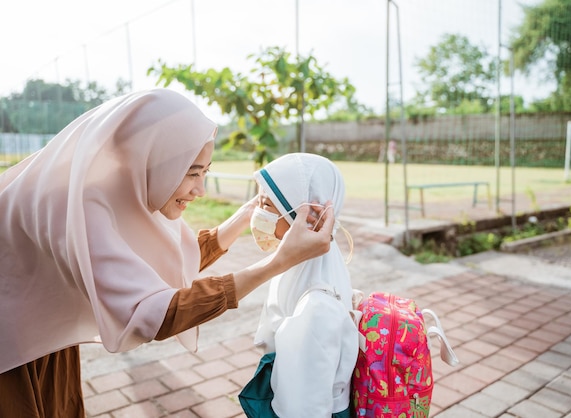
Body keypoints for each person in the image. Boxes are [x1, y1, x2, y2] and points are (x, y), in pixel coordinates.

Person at [0, 88, 334, 417]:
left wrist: (245, 216)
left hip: (44, 338)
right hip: (13, 353)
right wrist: (277, 262)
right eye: (192, 173)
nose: (200, 190)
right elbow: (152, 314)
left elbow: (160, 263)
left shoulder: (118, 184)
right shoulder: (77, 203)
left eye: (206, 172)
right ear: (152, 159)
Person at [239, 153, 359, 418]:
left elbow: (305, 409)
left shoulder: (316, 306)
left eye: (267, 204)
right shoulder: (305, 265)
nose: (257, 213)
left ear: (308, 216)